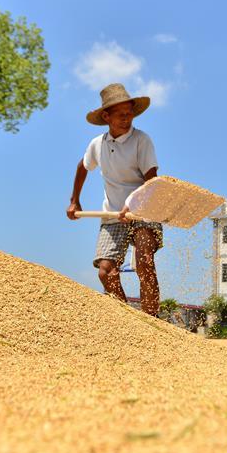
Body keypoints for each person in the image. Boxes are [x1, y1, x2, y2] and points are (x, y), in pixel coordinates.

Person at [66, 83, 163, 316]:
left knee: (144, 263)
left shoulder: (142, 141)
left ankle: (153, 322)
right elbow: (83, 166)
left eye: (130, 114)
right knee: (106, 271)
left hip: (143, 211)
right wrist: (74, 200)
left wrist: (132, 204)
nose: (127, 119)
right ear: (107, 116)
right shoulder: (97, 145)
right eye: (121, 115)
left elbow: (152, 182)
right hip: (113, 215)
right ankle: (129, 321)